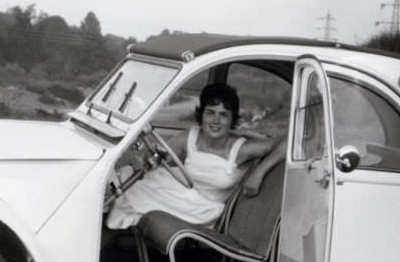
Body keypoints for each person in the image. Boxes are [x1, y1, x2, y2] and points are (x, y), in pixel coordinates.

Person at [106, 83, 285, 230]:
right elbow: (157, 155)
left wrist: (259, 172)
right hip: (176, 194)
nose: (215, 121)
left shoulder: (241, 149)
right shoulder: (189, 136)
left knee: (123, 192)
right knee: (121, 180)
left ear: (232, 119)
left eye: (223, 115)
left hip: (202, 209)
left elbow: (292, 141)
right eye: (210, 113)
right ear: (202, 114)